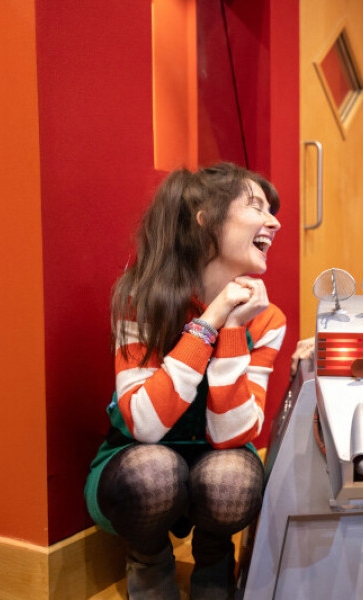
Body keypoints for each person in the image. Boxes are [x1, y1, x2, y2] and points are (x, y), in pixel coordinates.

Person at [84, 162, 286, 599]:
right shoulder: (140, 301)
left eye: (272, 210)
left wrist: (233, 332)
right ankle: (149, 562)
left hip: (218, 459)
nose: (275, 221)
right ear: (205, 220)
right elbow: (146, 426)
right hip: (140, 461)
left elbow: (233, 435)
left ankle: (214, 566)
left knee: (235, 478)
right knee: (153, 471)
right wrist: (208, 325)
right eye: (256, 207)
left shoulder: (266, 319)